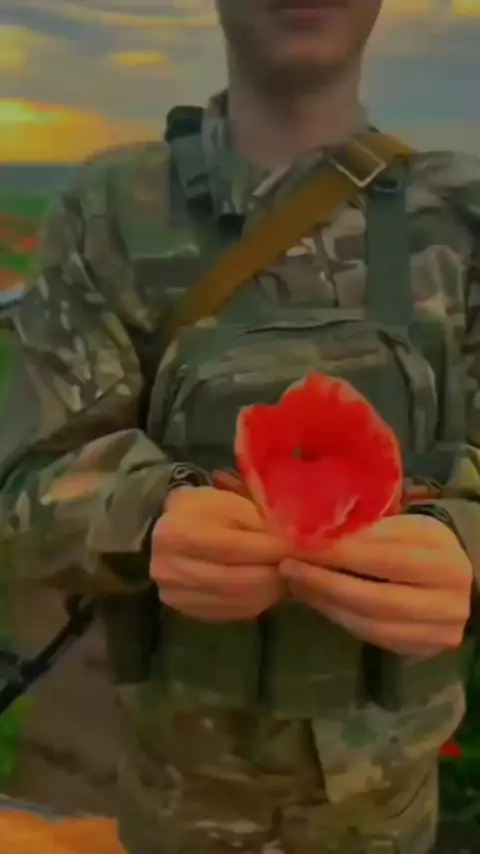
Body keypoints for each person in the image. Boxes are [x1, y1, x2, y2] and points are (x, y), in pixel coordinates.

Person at [0, 0, 479, 851]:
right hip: (179, 799)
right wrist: (147, 515)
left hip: (386, 804)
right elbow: (23, 493)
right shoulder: (112, 210)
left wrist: (465, 545)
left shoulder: (463, 216)